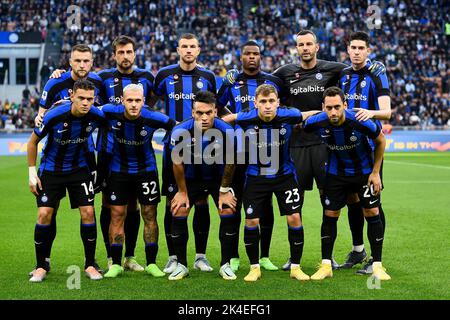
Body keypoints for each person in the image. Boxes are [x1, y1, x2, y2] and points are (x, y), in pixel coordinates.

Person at [224, 30, 386, 271]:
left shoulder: (333, 69)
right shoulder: (284, 73)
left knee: (336, 198)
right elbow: (261, 77)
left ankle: (353, 250)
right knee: (294, 201)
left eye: (309, 43)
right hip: (296, 145)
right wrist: (236, 73)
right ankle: (294, 258)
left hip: (323, 144)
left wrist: (373, 66)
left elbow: (355, 67)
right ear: (296, 48)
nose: (306, 48)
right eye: (301, 44)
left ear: (316, 47)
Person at [49, 36, 156, 272]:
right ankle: (111, 257)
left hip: (138, 152)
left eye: (129, 52)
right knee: (110, 204)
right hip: (109, 152)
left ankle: (130, 257)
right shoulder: (102, 78)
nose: (125, 56)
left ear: (135, 53)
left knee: (134, 206)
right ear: (114, 55)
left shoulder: (147, 77)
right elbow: (77, 79)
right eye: (121, 52)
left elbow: (152, 104)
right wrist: (59, 73)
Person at [219, 84, 319, 282]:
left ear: (278, 103)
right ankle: (254, 268)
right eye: (263, 102)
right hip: (256, 177)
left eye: (271, 101)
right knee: (251, 221)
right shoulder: (247, 117)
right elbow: (228, 118)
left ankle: (296, 268)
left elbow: (309, 114)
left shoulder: (288, 115)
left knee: (294, 218)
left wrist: (330, 114)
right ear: (255, 103)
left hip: (285, 176)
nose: (267, 106)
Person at [304, 86, 390, 281]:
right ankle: (326, 265)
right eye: (329, 108)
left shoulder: (359, 121)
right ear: (323, 108)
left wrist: (376, 173)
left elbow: (381, 141)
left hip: (363, 173)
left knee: (372, 212)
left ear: (345, 105)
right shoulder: (318, 121)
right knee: (330, 214)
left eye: (337, 107)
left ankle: (377, 265)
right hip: (335, 174)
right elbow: (301, 125)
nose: (333, 112)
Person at [30, 44, 103, 276]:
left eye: (86, 61)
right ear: (69, 61)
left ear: (92, 62)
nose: (82, 65)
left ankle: (90, 263)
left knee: (89, 212)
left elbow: (112, 115)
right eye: (78, 60)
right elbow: (37, 126)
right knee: (46, 213)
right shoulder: (55, 88)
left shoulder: (98, 88)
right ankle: (42, 264)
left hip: (82, 163)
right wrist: (32, 172)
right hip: (52, 165)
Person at [216, 40, 285, 272]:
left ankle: (264, 255)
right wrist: (236, 118)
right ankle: (233, 256)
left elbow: (283, 107)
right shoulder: (232, 81)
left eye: (256, 53)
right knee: (233, 204)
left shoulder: (273, 81)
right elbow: (217, 106)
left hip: (267, 151)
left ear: (261, 56)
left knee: (265, 206)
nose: (252, 57)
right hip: (238, 153)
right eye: (247, 54)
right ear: (241, 56)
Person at [154, 33, 217, 274]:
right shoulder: (164, 76)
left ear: (199, 49)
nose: (188, 50)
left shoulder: (208, 76)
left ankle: (200, 256)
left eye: (192, 46)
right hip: (174, 147)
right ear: (177, 49)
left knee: (201, 203)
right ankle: (173, 257)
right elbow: (148, 101)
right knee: (174, 202)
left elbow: (216, 107)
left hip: (204, 149)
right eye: (184, 46)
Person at [100, 84, 175, 278]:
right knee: (117, 214)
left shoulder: (153, 117)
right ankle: (116, 264)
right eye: (130, 100)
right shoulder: (110, 111)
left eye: (138, 101)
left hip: (146, 170)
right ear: (122, 101)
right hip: (118, 171)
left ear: (143, 101)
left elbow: (175, 127)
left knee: (149, 214)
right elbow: (87, 110)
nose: (134, 105)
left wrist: (169, 144)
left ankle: (151, 263)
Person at [168, 91, 237, 280]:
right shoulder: (181, 131)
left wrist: (224, 191)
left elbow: (231, 162)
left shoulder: (227, 131)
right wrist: (182, 192)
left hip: (217, 179)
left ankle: (225, 264)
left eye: (208, 112)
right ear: (192, 112)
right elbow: (177, 163)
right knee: (179, 208)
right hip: (191, 179)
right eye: (199, 113)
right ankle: (181, 265)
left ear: (215, 111)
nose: (204, 117)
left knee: (228, 210)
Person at [338, 31, 392, 272]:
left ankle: (376, 260)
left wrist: (370, 113)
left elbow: (387, 112)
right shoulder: (343, 75)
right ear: (347, 50)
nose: (357, 52)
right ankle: (358, 251)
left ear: (368, 50)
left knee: (372, 205)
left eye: (361, 48)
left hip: (370, 150)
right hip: (347, 150)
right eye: (353, 48)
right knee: (352, 201)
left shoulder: (377, 73)